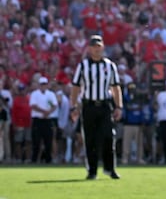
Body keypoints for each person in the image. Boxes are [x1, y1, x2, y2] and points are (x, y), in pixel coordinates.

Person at [69, 35, 122, 180]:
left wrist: (119, 106)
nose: (96, 49)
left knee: (108, 137)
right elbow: (75, 87)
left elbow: (116, 87)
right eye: (94, 46)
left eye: (99, 46)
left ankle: (109, 169)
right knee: (90, 139)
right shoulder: (83, 66)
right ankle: (92, 170)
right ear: (89, 49)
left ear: (103, 47)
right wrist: (73, 107)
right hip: (89, 105)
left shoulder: (110, 65)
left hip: (105, 105)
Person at [30, 76, 58, 163]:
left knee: (48, 141)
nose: (43, 86)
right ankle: (34, 159)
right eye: (42, 84)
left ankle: (48, 159)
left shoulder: (51, 94)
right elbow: (33, 106)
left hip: (47, 120)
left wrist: (48, 113)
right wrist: (44, 112)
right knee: (36, 141)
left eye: (45, 84)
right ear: (39, 85)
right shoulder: (35, 94)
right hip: (38, 119)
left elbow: (54, 105)